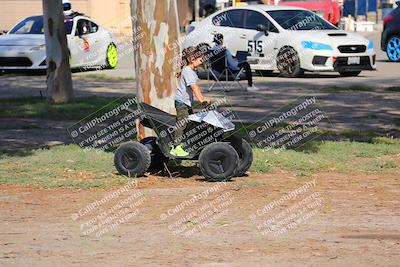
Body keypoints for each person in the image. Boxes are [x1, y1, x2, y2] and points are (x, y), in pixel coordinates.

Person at [170, 46, 210, 157]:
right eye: (200, 59)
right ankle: (176, 147)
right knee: (182, 123)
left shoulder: (191, 71)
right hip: (181, 102)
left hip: (186, 103)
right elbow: (194, 87)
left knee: (191, 123)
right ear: (192, 59)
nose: (202, 61)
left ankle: (186, 144)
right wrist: (202, 100)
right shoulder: (187, 71)